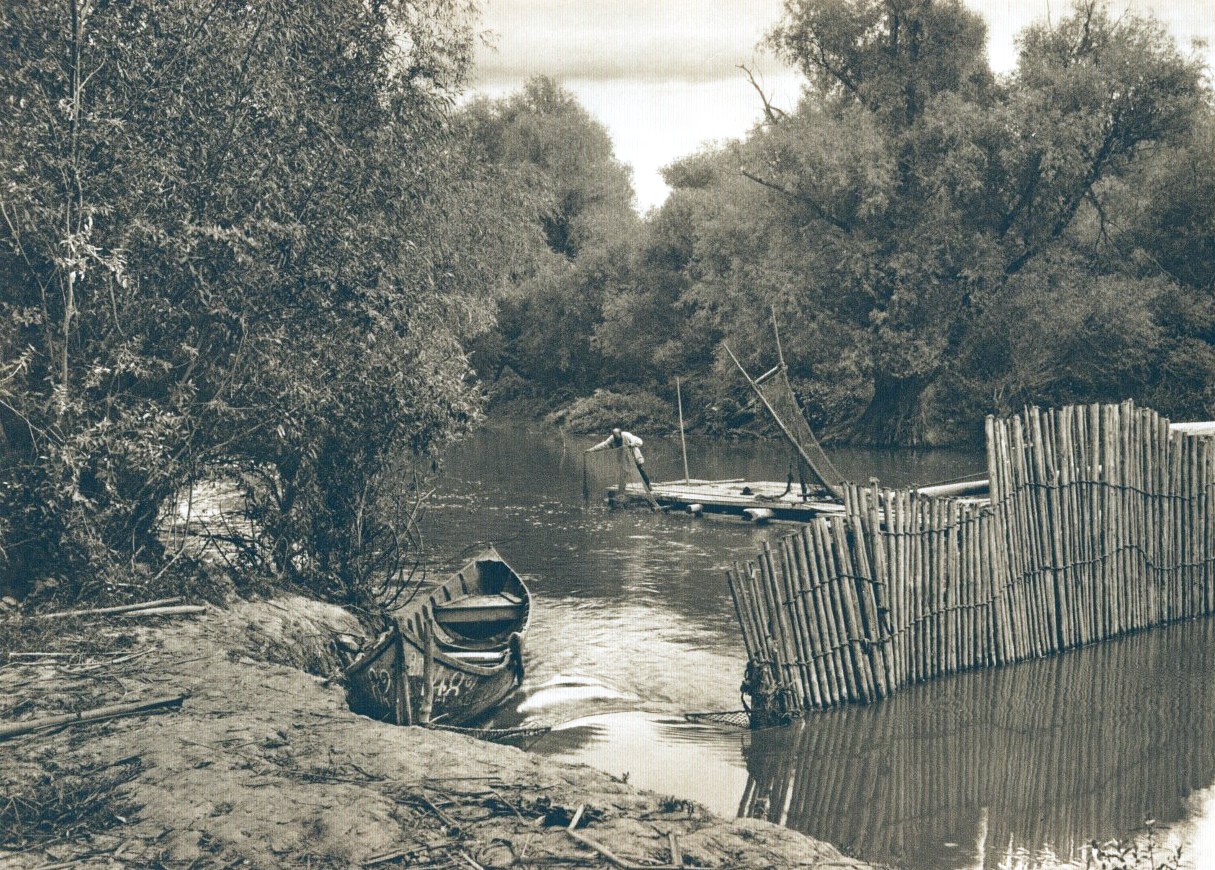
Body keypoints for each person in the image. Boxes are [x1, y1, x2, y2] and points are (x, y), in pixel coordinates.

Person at [586, 427, 651, 489]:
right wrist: (591, 450)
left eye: (617, 436)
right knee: (623, 474)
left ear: (620, 433)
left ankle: (648, 485)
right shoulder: (612, 438)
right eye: (614, 436)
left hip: (634, 456)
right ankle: (621, 490)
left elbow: (640, 442)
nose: (616, 438)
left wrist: (630, 445)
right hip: (623, 458)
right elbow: (603, 445)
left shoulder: (627, 436)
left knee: (640, 471)